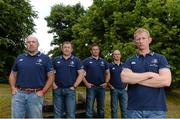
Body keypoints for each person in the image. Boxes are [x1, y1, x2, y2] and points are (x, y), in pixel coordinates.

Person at [121, 28, 172, 118]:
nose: (141, 41)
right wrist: (150, 74)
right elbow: (124, 78)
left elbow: (166, 81)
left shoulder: (160, 58)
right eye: (138, 39)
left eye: (143, 38)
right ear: (134, 41)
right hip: (134, 109)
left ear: (149, 40)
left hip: (156, 110)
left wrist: (134, 79)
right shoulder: (130, 60)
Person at [9, 35, 54, 118]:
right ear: (26, 45)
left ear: (38, 44)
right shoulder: (20, 58)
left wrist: (43, 91)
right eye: (28, 42)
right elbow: (12, 74)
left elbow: (51, 77)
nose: (31, 44)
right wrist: (13, 88)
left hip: (36, 95)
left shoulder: (45, 58)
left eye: (33, 42)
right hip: (19, 94)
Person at [53, 41, 84, 118]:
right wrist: (53, 85)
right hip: (57, 90)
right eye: (65, 47)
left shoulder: (76, 60)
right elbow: (51, 74)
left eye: (68, 47)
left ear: (71, 49)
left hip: (70, 90)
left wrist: (74, 86)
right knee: (57, 114)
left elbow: (81, 74)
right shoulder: (56, 60)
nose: (66, 49)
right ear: (62, 49)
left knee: (70, 113)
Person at [83, 44, 110, 118]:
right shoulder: (86, 61)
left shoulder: (103, 61)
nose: (95, 51)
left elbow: (108, 73)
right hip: (91, 87)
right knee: (89, 108)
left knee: (101, 108)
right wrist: (86, 83)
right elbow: (81, 74)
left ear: (99, 51)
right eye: (94, 49)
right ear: (91, 51)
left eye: (97, 49)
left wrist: (106, 83)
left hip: (101, 88)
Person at [108, 50, 127, 118]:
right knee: (114, 109)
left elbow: (128, 76)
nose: (117, 55)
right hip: (114, 90)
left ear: (120, 55)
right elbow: (106, 77)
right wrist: (111, 86)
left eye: (118, 54)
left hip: (124, 90)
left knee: (124, 109)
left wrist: (126, 86)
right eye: (115, 54)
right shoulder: (109, 65)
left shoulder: (125, 65)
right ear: (113, 56)